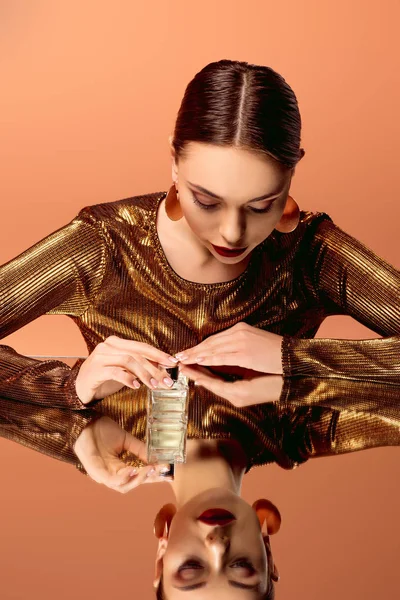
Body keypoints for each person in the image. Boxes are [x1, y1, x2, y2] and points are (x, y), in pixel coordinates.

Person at [0, 58, 399, 597]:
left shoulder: (308, 255)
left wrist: (289, 356)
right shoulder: (104, 248)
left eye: (262, 205)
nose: (232, 232)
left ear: (161, 553)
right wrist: (70, 382)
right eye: (206, 200)